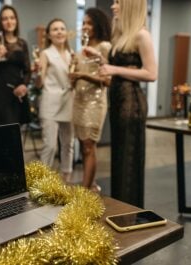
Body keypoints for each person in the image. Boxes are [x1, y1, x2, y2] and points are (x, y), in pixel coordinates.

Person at [84, 0, 157, 207]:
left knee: (128, 160)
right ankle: (121, 209)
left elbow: (151, 73)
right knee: (119, 158)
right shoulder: (123, 35)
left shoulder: (142, 35)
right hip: (118, 101)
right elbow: (120, 66)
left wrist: (114, 70)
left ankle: (129, 212)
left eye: (118, 3)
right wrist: (100, 58)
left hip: (131, 103)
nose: (113, 7)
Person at [69, 8, 111, 193]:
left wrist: (82, 76)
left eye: (90, 23)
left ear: (98, 25)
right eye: (84, 23)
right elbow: (74, 78)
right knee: (82, 144)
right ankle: (91, 185)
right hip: (78, 101)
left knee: (88, 146)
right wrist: (73, 78)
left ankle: (85, 191)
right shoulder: (80, 52)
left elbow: (108, 80)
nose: (85, 26)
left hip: (95, 103)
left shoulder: (104, 48)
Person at [36, 18, 74, 182]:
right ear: (49, 35)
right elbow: (39, 83)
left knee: (68, 144)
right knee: (50, 145)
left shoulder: (72, 54)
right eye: (55, 29)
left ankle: (66, 178)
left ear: (66, 33)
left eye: (62, 29)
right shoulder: (45, 54)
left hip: (69, 102)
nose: (59, 32)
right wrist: (38, 73)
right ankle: (43, 183)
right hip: (50, 103)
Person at [0, 5, 31, 126]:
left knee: (16, 136)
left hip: (17, 93)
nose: (9, 21)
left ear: (16, 20)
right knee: (0, 137)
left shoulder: (22, 43)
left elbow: (27, 70)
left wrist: (24, 85)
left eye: (12, 18)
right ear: (0, 22)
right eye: (5, 19)